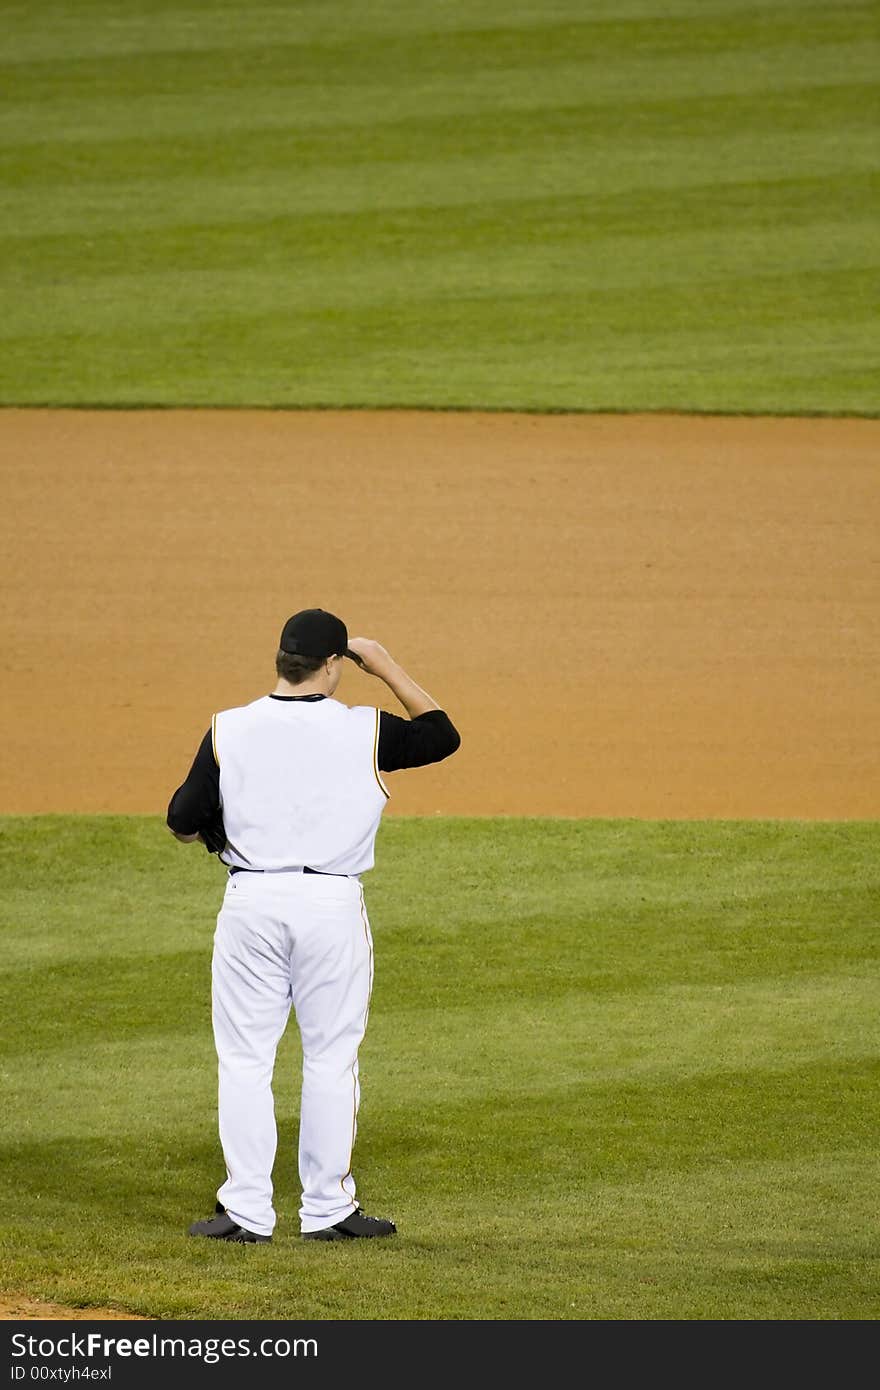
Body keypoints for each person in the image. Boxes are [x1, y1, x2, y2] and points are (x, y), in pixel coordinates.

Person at [166, 608, 461, 1243]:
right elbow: (441, 734)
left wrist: (213, 832)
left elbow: (182, 816)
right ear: (333, 665)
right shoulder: (366, 730)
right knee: (330, 1058)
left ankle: (245, 1212)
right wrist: (381, 663)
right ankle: (327, 1210)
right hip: (330, 908)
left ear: (281, 660)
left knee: (245, 1060)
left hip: (250, 905)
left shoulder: (230, 726)